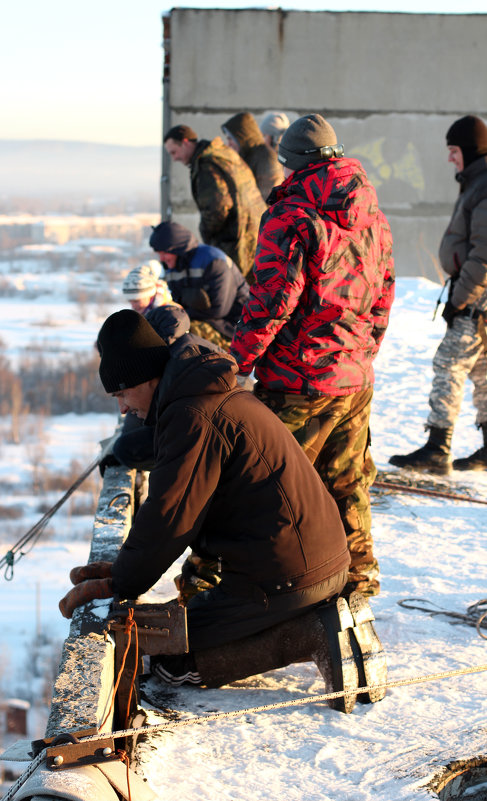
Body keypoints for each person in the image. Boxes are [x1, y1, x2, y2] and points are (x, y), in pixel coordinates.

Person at [59, 309, 387, 713]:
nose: (124, 410)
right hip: (306, 561)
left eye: (121, 395)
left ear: (144, 378)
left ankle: (309, 631)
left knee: (171, 664)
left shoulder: (192, 414)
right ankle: (312, 616)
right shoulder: (200, 394)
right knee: (178, 632)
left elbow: (170, 517)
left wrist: (122, 583)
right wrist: (123, 567)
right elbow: (175, 479)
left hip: (286, 575)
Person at [229, 114, 395, 598]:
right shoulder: (374, 217)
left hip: (296, 381)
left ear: (290, 164)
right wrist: (361, 355)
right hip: (354, 377)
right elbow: (383, 294)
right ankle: (358, 581)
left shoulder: (290, 215)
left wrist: (239, 363)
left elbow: (270, 302)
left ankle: (232, 595)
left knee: (262, 490)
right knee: (347, 483)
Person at [389, 115, 487, 474]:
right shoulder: (477, 182)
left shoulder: (484, 186)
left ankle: (437, 448)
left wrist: (459, 299)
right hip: (476, 295)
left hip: (476, 298)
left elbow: (484, 254)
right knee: (482, 369)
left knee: (448, 363)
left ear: (470, 150)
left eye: (453, 150)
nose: (450, 158)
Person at [163, 124, 266, 279]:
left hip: (237, 243)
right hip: (257, 235)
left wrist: (205, 236)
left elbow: (217, 209)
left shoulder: (206, 165)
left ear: (185, 142)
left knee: (237, 295)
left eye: (174, 152)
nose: (174, 158)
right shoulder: (223, 154)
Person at [149, 220, 249, 349]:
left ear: (177, 248)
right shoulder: (171, 267)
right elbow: (178, 302)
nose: (161, 258)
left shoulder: (213, 261)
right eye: (159, 254)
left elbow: (219, 309)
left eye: (164, 253)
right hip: (208, 322)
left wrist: (185, 313)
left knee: (182, 337)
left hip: (236, 329)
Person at [222, 111, 284, 201]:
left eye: (230, 139)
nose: (228, 144)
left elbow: (267, 200)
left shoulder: (266, 158)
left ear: (242, 136)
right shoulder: (246, 156)